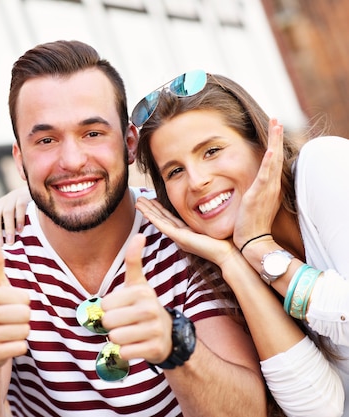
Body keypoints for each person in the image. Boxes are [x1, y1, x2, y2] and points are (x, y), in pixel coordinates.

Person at [0, 40, 268, 417]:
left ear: (128, 143)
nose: (72, 160)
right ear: (20, 160)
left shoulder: (186, 234)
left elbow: (248, 410)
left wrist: (173, 344)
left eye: (92, 133)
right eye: (46, 140)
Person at [131, 70, 346, 416]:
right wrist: (234, 261)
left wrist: (262, 249)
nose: (197, 180)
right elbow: (320, 409)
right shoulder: (222, 263)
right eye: (175, 171)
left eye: (212, 151)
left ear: (261, 144)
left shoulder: (324, 167)